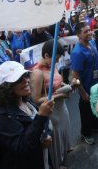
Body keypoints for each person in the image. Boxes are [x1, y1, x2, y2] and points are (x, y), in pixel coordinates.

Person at [0, 61, 54, 169]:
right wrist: (41, 116)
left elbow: (33, 136)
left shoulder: (27, 102)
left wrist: (41, 142)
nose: (26, 80)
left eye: (26, 75)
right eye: (19, 79)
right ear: (6, 87)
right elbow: (20, 148)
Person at [30, 40, 72, 169]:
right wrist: (60, 95)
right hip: (51, 111)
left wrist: (67, 86)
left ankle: (62, 159)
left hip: (62, 107)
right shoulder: (37, 72)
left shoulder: (52, 65)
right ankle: (57, 165)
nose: (58, 61)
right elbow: (36, 99)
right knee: (54, 141)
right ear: (47, 55)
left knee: (63, 136)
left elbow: (57, 83)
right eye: (57, 58)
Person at [71, 22, 98, 145]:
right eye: (85, 31)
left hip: (96, 85)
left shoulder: (92, 43)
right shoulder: (77, 52)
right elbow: (75, 75)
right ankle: (86, 133)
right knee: (86, 111)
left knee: (95, 106)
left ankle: (95, 126)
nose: (89, 33)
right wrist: (82, 93)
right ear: (78, 35)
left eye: (89, 30)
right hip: (86, 87)